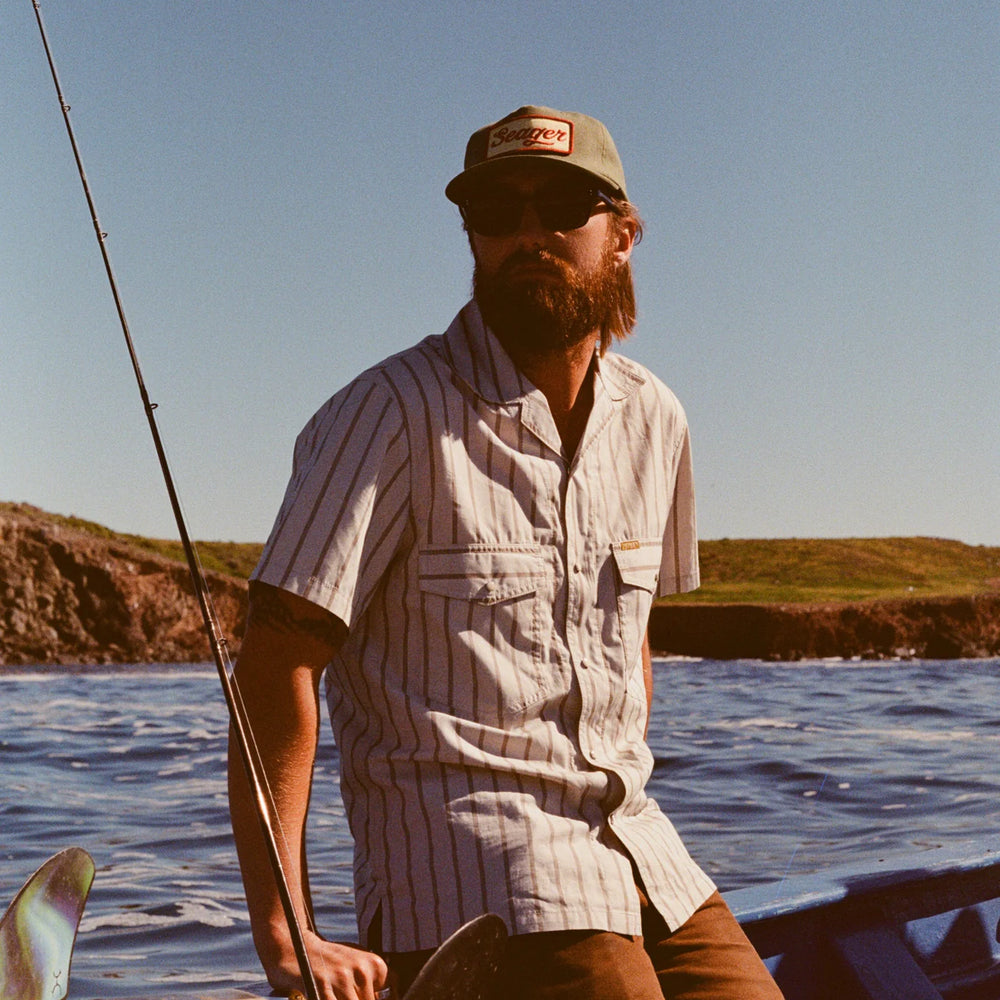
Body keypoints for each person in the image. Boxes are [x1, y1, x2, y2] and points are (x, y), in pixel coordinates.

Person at [229, 105, 783, 1000]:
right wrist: (285, 925)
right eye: (495, 212)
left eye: (561, 204)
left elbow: (630, 633)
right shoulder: (390, 415)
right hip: (472, 878)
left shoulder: (657, 421)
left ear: (624, 234)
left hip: (637, 849)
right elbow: (271, 666)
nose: (528, 233)